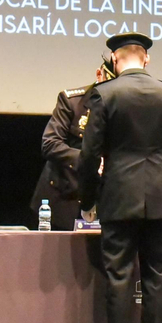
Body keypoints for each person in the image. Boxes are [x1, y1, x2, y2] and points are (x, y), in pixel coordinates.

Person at [77, 32, 162, 323]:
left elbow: (90, 154)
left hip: (119, 197)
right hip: (158, 198)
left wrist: (88, 199)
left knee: (119, 278)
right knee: (156, 280)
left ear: (113, 60)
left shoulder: (105, 93)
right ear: (146, 59)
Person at [32, 55, 115, 231]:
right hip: (64, 196)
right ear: (99, 74)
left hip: (105, 198)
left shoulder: (122, 105)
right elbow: (50, 143)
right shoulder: (72, 101)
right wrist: (88, 159)